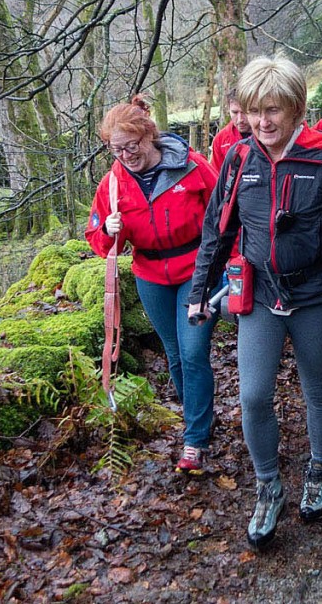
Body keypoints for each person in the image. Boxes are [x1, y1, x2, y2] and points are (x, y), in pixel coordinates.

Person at [188, 56, 322, 548]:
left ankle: (319, 469)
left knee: (317, 388)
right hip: (261, 294)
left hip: (314, 295)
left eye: (272, 110)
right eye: (252, 111)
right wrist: (198, 293)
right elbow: (217, 231)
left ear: (296, 109)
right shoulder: (238, 159)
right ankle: (268, 485)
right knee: (252, 396)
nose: (262, 122)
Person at [85, 95, 219, 475]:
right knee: (175, 354)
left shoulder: (190, 167)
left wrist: (229, 265)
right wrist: (109, 231)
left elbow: (224, 214)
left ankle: (194, 440)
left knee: (193, 353)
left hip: (196, 269)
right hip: (150, 277)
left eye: (132, 146)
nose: (126, 155)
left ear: (150, 136)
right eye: (116, 149)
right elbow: (98, 240)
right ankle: (200, 416)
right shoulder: (112, 186)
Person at [210, 88, 252, 172]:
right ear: (228, 109)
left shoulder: (266, 135)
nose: (240, 119)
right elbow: (216, 176)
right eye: (235, 112)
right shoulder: (221, 139)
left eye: (244, 112)